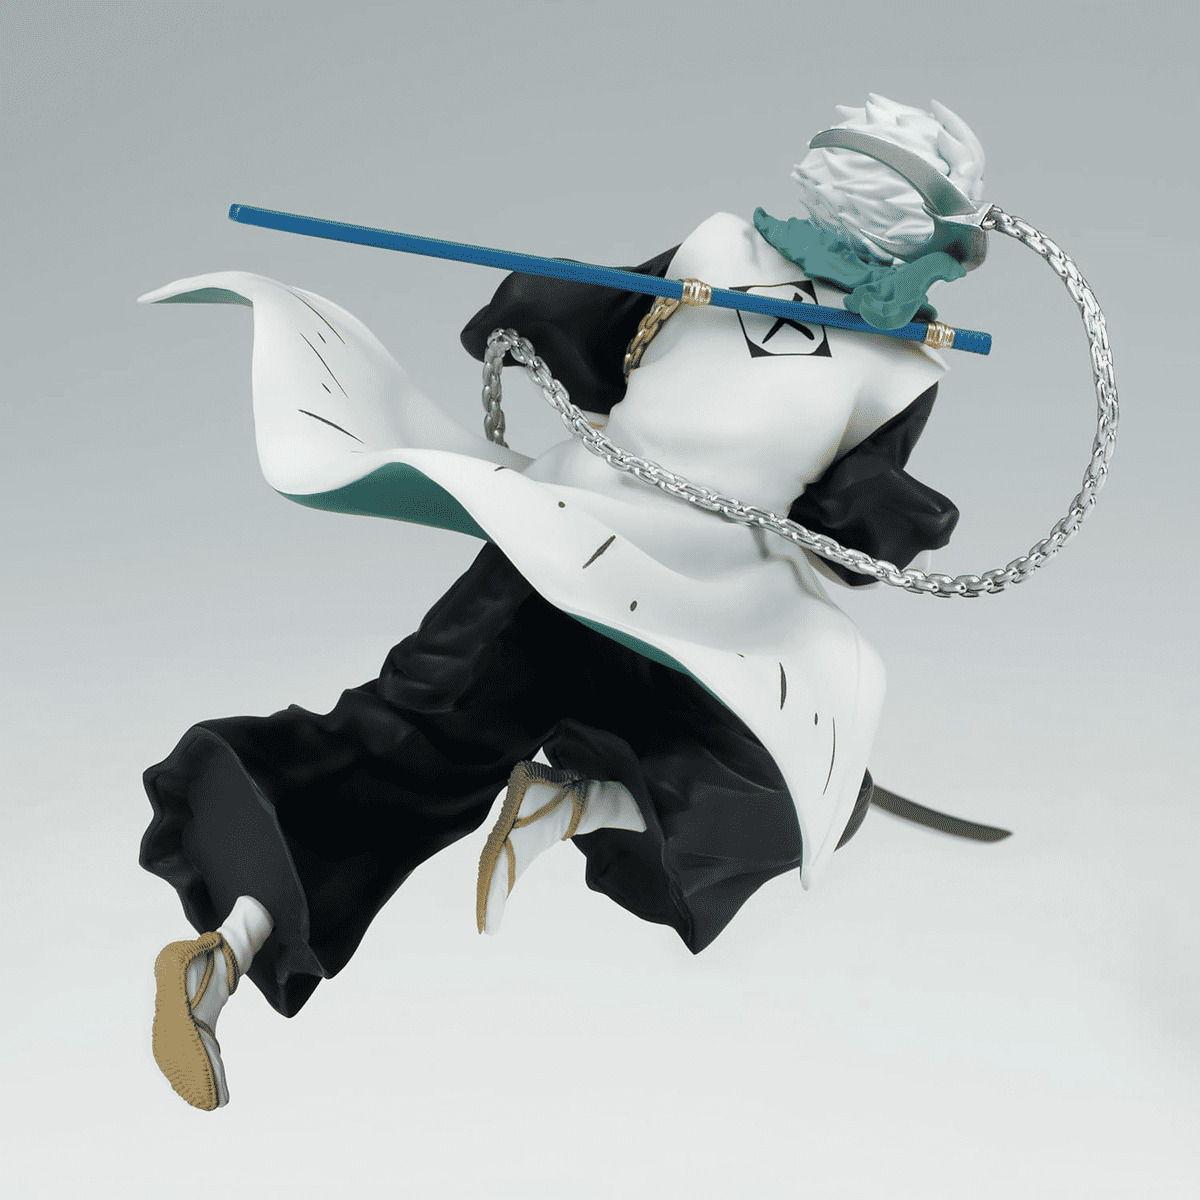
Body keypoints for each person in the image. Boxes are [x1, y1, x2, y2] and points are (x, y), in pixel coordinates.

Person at [140, 94, 985, 1110]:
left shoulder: (903, 359)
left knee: (805, 791)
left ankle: (560, 805)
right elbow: (599, 336)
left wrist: (884, 516)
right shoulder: (723, 250)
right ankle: (226, 953)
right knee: (405, 742)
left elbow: (843, 517)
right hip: (567, 537)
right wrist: (552, 304)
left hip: (695, 604)